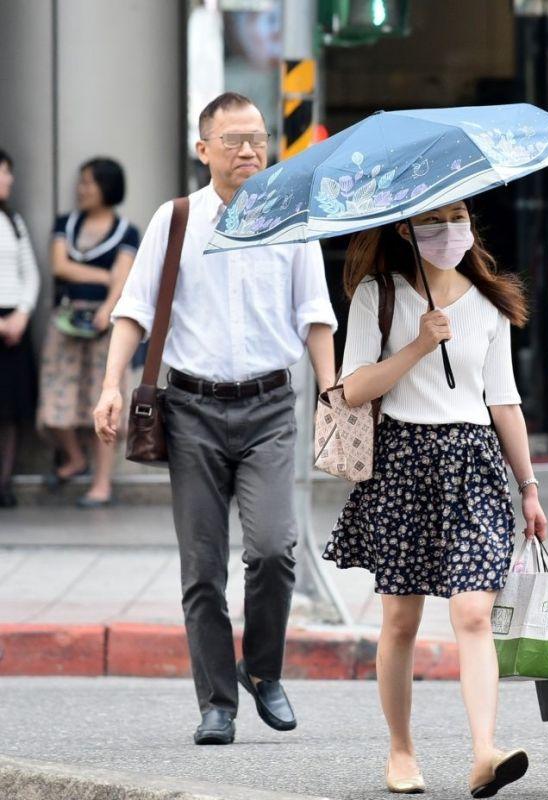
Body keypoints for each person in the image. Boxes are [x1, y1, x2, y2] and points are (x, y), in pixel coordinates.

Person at [93, 92, 337, 745]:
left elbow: (316, 315)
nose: (249, 151)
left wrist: (332, 392)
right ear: (203, 149)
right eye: (233, 140)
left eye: (257, 138)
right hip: (192, 411)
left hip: (268, 411)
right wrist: (111, 384)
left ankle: (262, 671)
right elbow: (133, 313)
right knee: (202, 568)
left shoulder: (291, 221)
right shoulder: (174, 221)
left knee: (272, 551)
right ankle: (216, 704)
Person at [323, 200, 548, 797]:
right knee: (400, 619)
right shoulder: (380, 294)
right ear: (406, 230)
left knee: (473, 612)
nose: (450, 232)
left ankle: (484, 751)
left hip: (472, 464)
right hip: (401, 461)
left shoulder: (491, 301)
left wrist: (528, 486)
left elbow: (503, 400)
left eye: (459, 218)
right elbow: (350, 389)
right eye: (435, 221)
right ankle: (401, 750)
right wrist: (419, 345)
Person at [39, 158, 139, 506]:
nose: (81, 189)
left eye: (88, 183)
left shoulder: (127, 230)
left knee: (105, 403)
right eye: (81, 182)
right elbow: (59, 265)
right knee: (55, 397)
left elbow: (124, 278)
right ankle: (74, 458)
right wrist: (102, 276)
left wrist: (107, 308)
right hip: (65, 322)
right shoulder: (65, 224)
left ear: (106, 188)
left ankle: (101, 483)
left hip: (104, 327)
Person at [0, 148, 39, 509]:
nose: (9, 180)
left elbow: (30, 274)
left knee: (11, 410)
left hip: (14, 323)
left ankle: (5, 484)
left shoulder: (14, 221)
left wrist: (22, 314)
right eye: (3, 172)